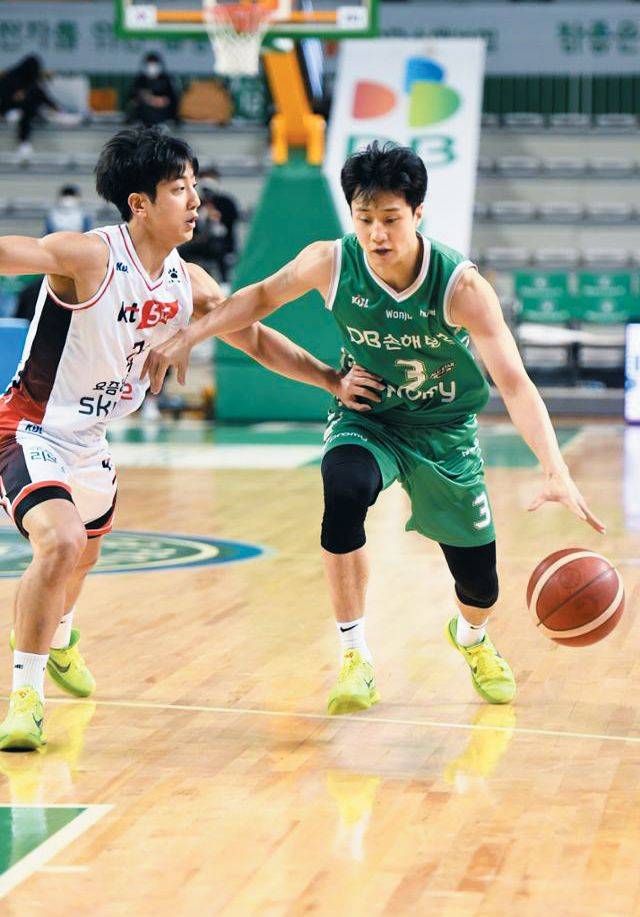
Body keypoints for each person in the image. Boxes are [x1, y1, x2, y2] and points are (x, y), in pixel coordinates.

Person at [143, 141, 605, 715]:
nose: (377, 233)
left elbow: (513, 383)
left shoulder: (461, 287)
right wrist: (188, 336)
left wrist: (555, 469)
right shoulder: (330, 261)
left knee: (481, 587)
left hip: (444, 430)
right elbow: (259, 297)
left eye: (390, 219)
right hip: (370, 417)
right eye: (365, 220)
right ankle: (355, 655)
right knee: (343, 491)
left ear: (417, 214)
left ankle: (472, 639)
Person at [0, 126, 370, 750]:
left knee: (83, 556)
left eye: (196, 187)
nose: (197, 200)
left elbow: (253, 338)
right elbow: (20, 251)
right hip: (28, 425)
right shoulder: (90, 255)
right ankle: (25, 699)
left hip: (89, 441)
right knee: (59, 543)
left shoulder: (189, 283)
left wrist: (332, 380)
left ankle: (61, 638)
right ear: (139, 203)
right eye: (180, 189)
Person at [180, 168, 240, 284]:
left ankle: (224, 282)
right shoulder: (196, 202)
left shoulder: (225, 202)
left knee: (220, 253)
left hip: (221, 243)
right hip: (200, 242)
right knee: (182, 251)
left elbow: (231, 222)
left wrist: (218, 217)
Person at [0, 55, 60, 159]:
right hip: (7, 108)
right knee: (27, 108)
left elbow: (41, 95)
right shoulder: (11, 77)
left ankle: (24, 142)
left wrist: (54, 106)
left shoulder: (31, 82)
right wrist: (14, 96)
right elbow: (4, 95)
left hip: (24, 111)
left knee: (29, 107)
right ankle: (23, 142)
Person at [127, 52, 180, 128]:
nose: (152, 66)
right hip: (143, 116)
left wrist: (160, 100)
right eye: (149, 63)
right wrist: (148, 99)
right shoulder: (140, 79)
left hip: (163, 116)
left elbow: (173, 98)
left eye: (154, 64)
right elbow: (132, 96)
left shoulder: (167, 79)